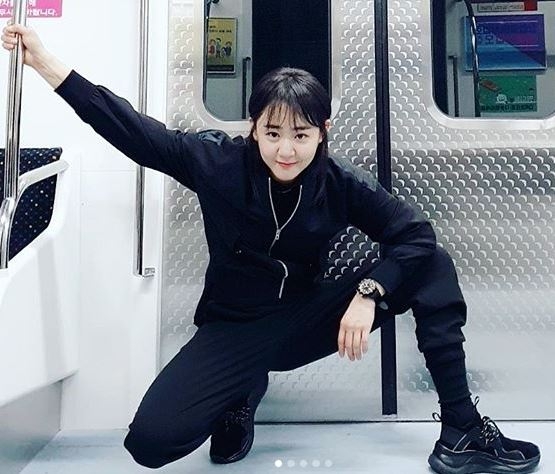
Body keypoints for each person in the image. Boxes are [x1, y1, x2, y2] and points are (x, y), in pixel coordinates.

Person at [2, 23, 541, 474]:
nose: (286, 150)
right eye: (273, 133)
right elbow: (131, 130)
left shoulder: (340, 183)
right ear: (253, 128)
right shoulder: (215, 163)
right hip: (233, 328)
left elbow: (416, 235)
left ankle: (462, 430)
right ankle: (239, 393)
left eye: (301, 135)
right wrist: (45, 62)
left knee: (431, 265)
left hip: (306, 318)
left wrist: (370, 292)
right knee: (150, 443)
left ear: (323, 132)